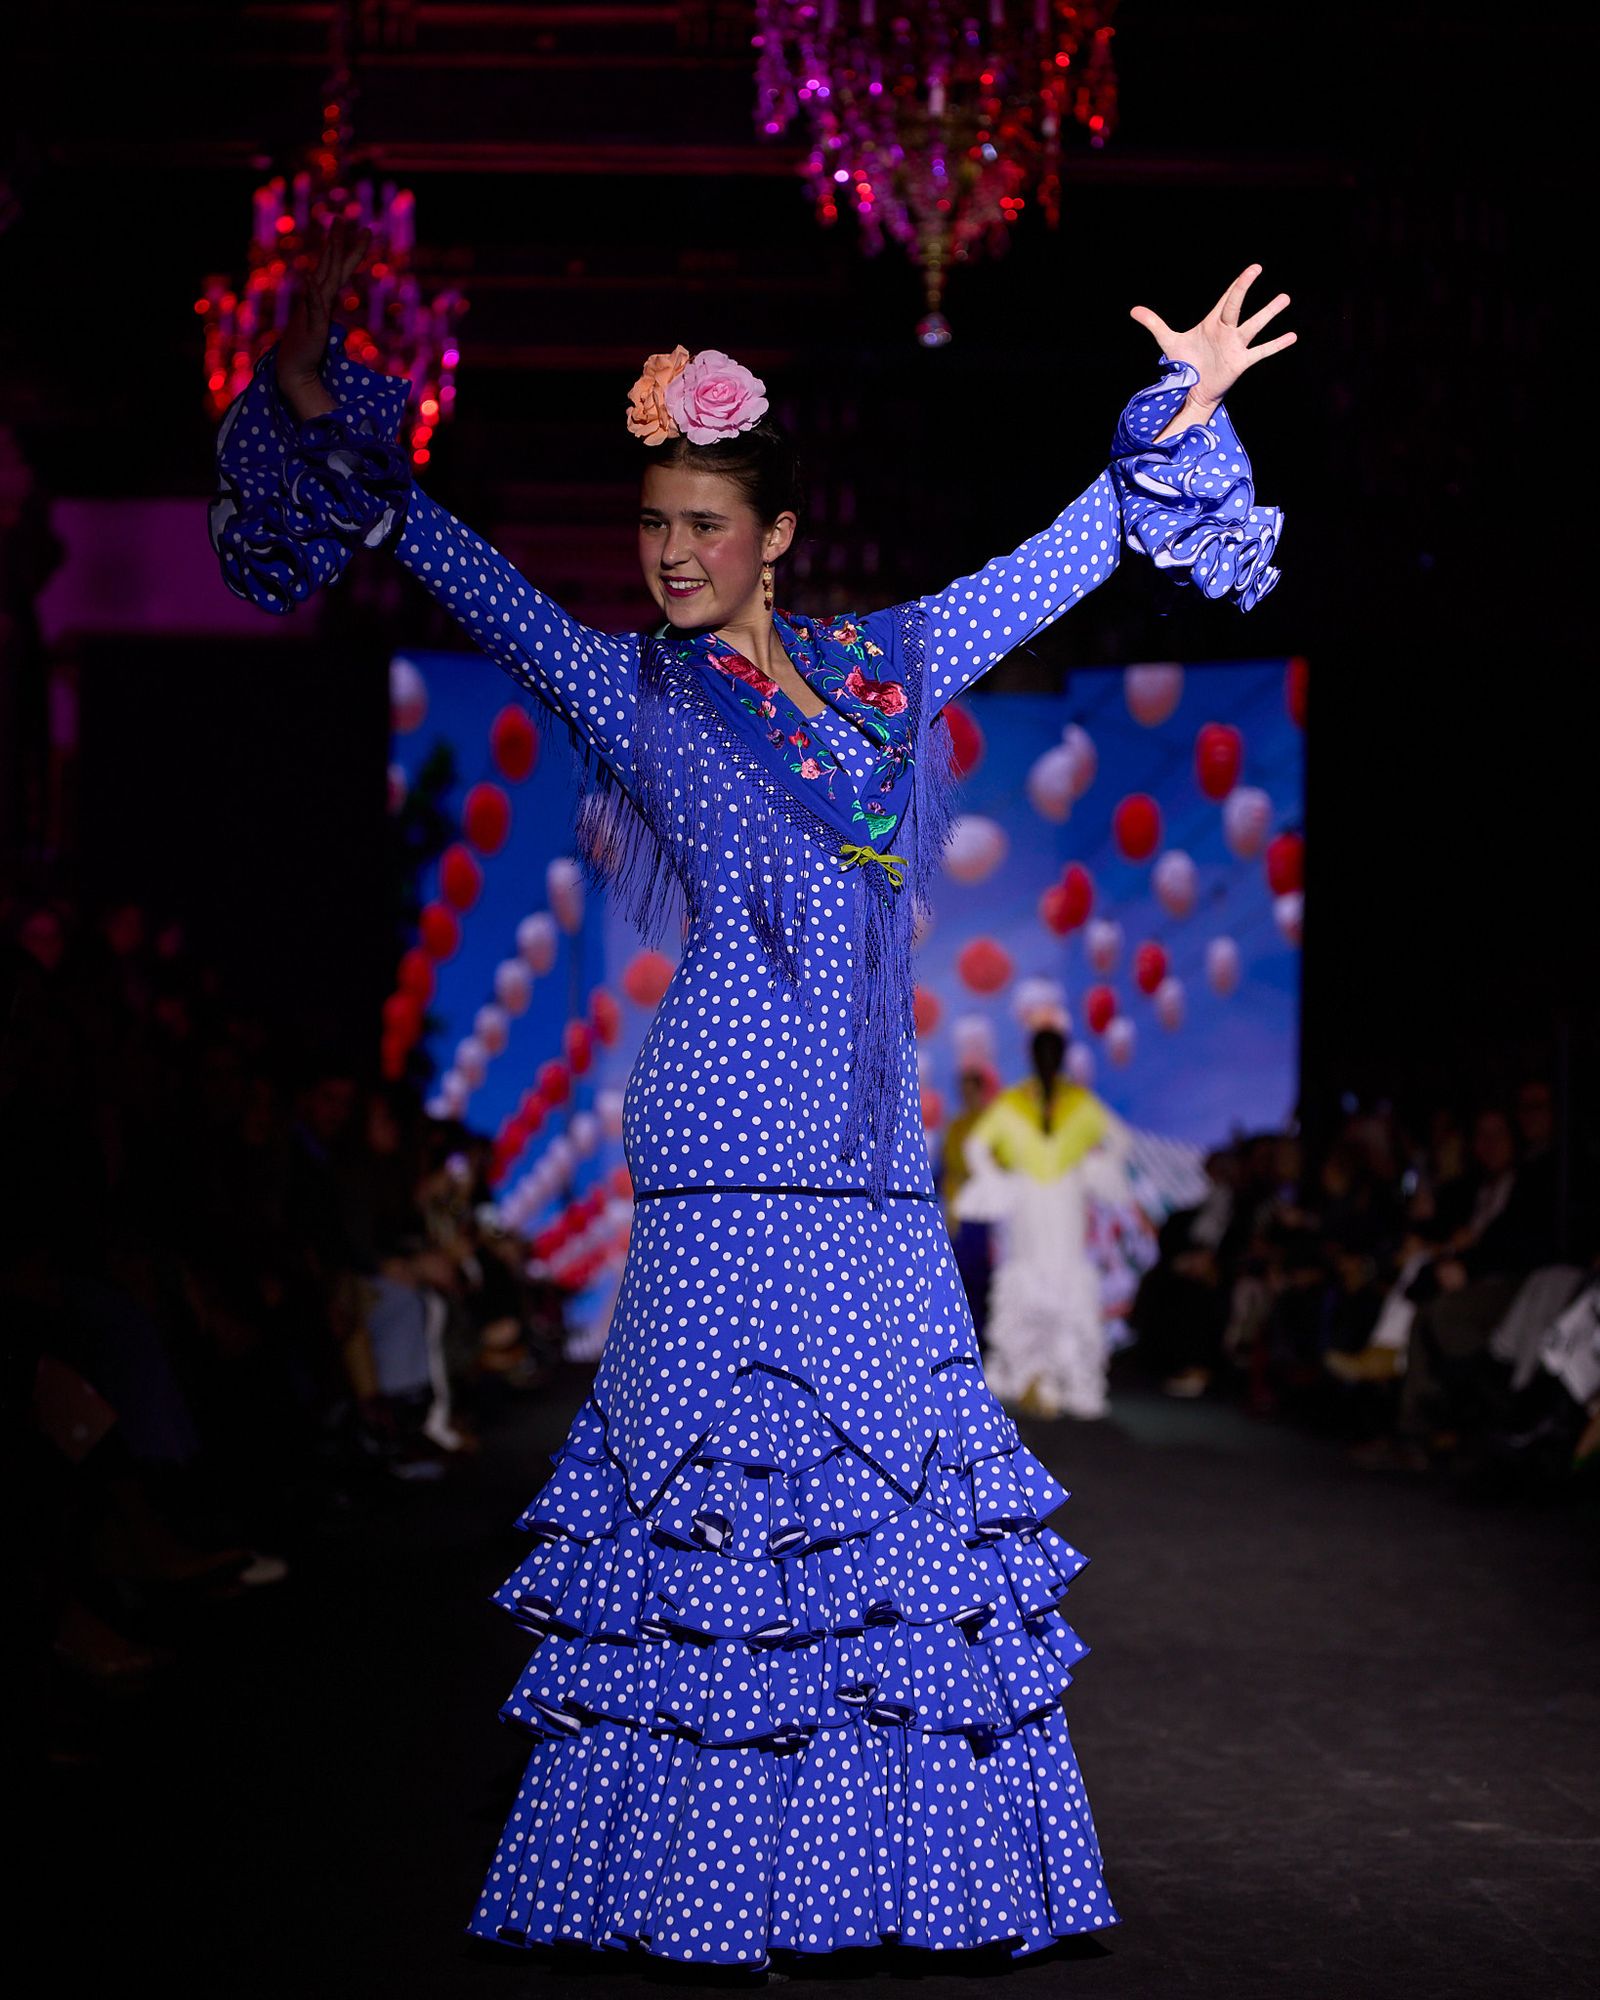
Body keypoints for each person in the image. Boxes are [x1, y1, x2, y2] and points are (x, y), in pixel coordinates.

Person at [210, 216, 1291, 1967]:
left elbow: (1066, 558)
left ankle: (892, 1879)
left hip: (866, 1153)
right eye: (653, 526)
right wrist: (351, 442)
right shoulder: (629, 688)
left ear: (780, 536)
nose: (670, 555)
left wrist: (1179, 411)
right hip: (719, 1137)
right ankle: (686, 1885)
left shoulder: (890, 667)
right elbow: (453, 560)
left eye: (705, 525)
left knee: (884, 1524)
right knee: (713, 1520)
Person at [954, 1027, 1136, 1420]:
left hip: (1065, 1200)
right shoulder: (1016, 1102)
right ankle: (1027, 1372)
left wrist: (1092, 1168)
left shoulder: (1078, 1102)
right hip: (1029, 1203)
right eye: (1042, 1051)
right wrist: (996, 1181)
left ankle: (1067, 1377)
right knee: (1026, 1276)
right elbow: (976, 1146)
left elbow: (1120, 1141)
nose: (1046, 1059)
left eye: (1051, 1051)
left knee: (1066, 1277)